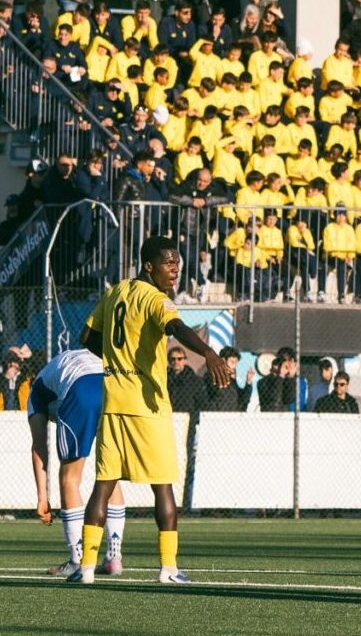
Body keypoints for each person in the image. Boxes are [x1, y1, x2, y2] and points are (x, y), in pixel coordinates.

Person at [76, 235, 230, 585]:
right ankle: (169, 568)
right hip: (148, 405)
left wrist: (120, 361)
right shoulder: (156, 299)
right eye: (168, 262)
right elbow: (176, 327)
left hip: (114, 401)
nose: (175, 269)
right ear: (149, 266)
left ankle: (85, 569)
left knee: (103, 485)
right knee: (162, 487)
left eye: (177, 262)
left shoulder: (115, 292)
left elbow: (85, 337)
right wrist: (208, 353)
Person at [27, 348, 128, 577]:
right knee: (109, 472)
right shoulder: (62, 365)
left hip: (80, 389)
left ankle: (77, 560)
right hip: (115, 383)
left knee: (69, 478)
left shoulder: (36, 393)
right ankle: (114, 558)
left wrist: (42, 497)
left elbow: (39, 446)